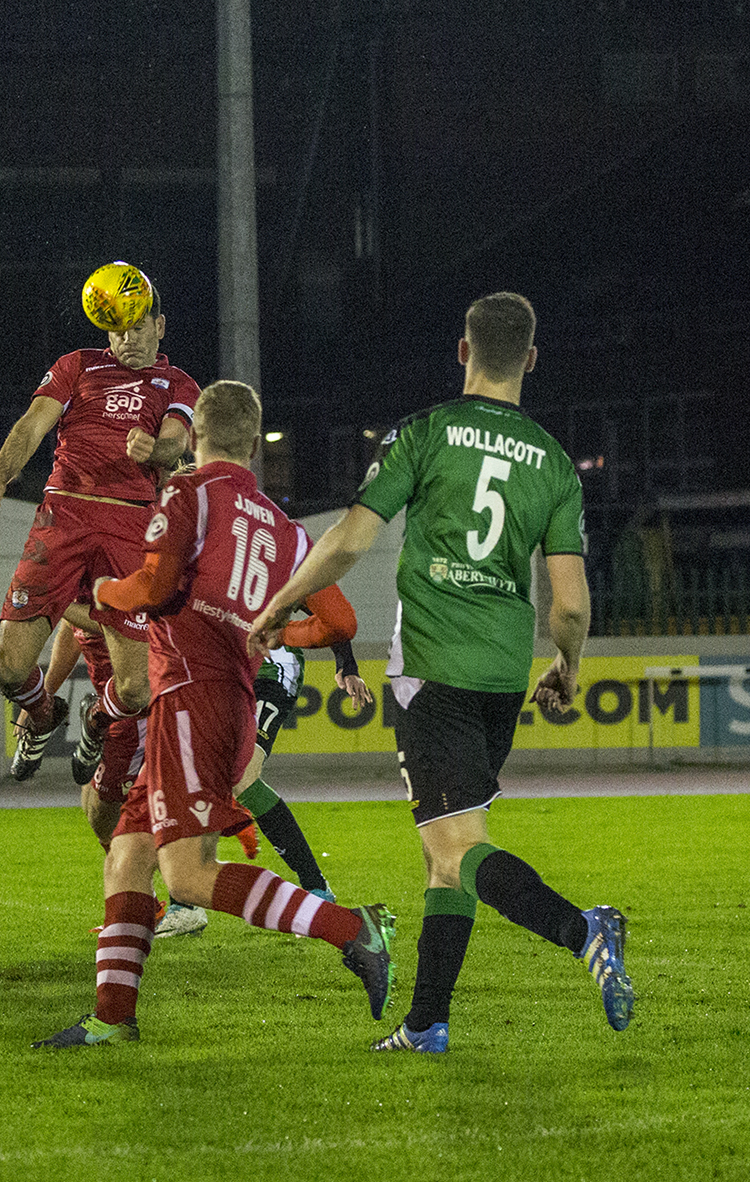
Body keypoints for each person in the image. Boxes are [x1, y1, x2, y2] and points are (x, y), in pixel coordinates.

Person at [249, 292, 633, 1053]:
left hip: (433, 668)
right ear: (529, 359)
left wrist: (278, 605)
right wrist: (568, 663)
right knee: (442, 854)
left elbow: (349, 542)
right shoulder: (555, 464)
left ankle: (581, 927)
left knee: (458, 846)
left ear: (463, 351)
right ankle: (426, 1023)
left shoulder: (424, 434)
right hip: (500, 679)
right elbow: (571, 603)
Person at [35, 381, 395, 1048]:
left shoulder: (188, 493)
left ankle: (353, 930)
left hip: (189, 698)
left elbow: (153, 588)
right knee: (127, 857)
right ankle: (112, 1018)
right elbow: (339, 619)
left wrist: (103, 591)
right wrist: (273, 633)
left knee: (189, 878)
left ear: (193, 436)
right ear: (255, 445)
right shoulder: (286, 530)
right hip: (227, 697)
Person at [0, 267, 194, 784]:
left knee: (136, 690)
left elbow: (177, 440)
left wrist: (155, 449)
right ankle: (43, 714)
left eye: (137, 328)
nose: (126, 340)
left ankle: (97, 716)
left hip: (132, 525)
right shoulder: (78, 366)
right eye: (117, 330)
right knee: (9, 669)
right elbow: (31, 426)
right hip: (62, 516)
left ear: (160, 326)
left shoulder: (177, 383)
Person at [152, 628, 370, 938]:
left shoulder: (286, 577)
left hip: (272, 671)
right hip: (223, 670)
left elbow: (331, 612)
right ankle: (185, 905)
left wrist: (346, 665)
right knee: (197, 774)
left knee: (243, 776)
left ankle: (317, 889)